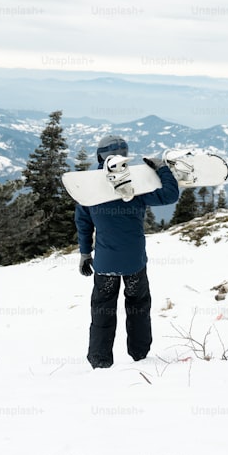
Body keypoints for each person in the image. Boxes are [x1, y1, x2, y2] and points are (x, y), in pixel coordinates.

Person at [75, 135, 180, 368]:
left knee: (102, 311)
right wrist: (162, 169)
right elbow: (170, 195)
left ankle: (100, 361)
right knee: (138, 307)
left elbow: (83, 222)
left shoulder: (89, 189)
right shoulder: (136, 188)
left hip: (105, 264)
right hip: (134, 262)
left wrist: (84, 253)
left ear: (99, 156)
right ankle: (140, 354)